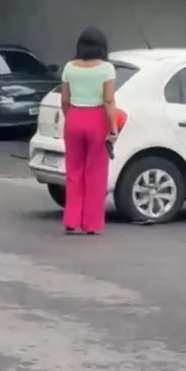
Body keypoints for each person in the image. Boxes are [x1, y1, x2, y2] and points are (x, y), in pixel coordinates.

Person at [60, 28, 117, 235]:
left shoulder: (69, 67)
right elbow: (108, 100)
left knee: (73, 171)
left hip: (74, 117)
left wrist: (72, 117)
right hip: (97, 119)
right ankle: (91, 223)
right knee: (95, 173)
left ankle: (71, 219)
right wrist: (113, 128)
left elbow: (65, 100)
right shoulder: (107, 69)